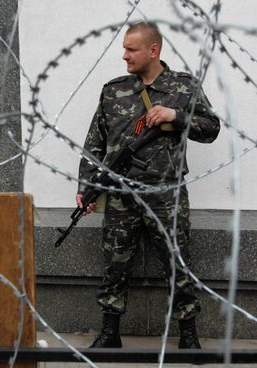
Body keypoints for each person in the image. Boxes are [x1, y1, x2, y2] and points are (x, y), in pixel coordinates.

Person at [76, 21, 220, 349]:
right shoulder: (113, 90)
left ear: (153, 50)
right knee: (115, 264)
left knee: (177, 262)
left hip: (164, 193)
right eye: (124, 48)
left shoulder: (183, 88)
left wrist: (176, 116)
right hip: (120, 195)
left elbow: (211, 128)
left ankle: (188, 334)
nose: (124, 55)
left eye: (131, 49)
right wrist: (87, 188)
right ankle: (110, 333)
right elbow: (95, 143)